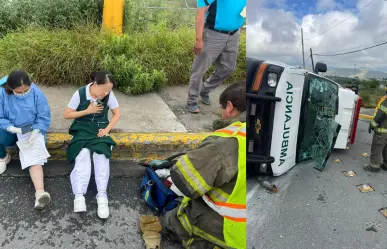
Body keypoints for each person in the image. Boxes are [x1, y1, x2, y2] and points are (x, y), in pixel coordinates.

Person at [161, 82, 246, 249]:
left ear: (229, 107)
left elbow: (184, 180)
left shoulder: (227, 141)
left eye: (222, 108)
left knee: (170, 220)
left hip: (224, 234)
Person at [64, 71, 121, 219]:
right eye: (103, 90)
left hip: (99, 129)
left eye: (109, 90)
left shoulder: (109, 94)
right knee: (82, 155)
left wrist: (107, 130)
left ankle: (102, 195)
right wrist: (87, 111)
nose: (106, 93)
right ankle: (79, 194)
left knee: (101, 155)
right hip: (82, 129)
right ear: (95, 84)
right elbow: (67, 114)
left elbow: (117, 113)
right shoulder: (81, 93)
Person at [0, 71, 51, 209]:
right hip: (10, 128)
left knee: (34, 158)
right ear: (10, 89)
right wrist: (11, 128)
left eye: (26, 91)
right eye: (19, 92)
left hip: (31, 129)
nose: (23, 94)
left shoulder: (36, 92)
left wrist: (37, 130)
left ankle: (40, 193)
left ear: (30, 85)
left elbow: (43, 116)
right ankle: (3, 156)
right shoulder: (1, 93)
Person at [186, 0, 246, 113]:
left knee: (228, 68)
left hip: (234, 35)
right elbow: (201, 12)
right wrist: (199, 39)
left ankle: (204, 90)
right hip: (213, 34)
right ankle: (192, 100)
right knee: (199, 70)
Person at [365, 91, 387, 172]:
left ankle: (374, 166)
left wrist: (372, 125)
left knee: (377, 147)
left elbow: (381, 114)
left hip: (383, 130)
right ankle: (386, 165)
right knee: (386, 148)